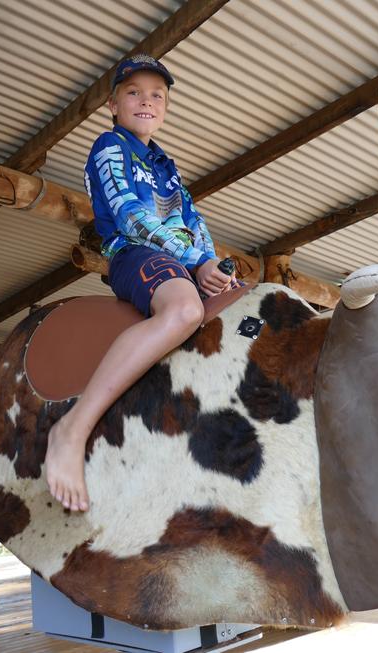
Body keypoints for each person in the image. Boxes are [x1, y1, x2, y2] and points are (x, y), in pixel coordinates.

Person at [44, 54, 237, 512]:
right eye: (134, 92)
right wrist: (194, 260)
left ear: (165, 108)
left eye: (157, 95)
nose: (146, 101)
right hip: (135, 254)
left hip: (183, 261)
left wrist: (212, 264)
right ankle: (72, 428)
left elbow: (194, 220)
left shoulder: (166, 165)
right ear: (114, 105)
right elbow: (130, 216)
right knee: (185, 311)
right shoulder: (110, 146)